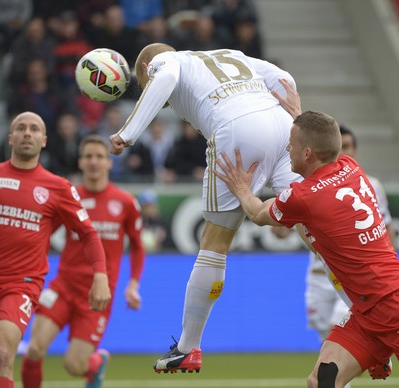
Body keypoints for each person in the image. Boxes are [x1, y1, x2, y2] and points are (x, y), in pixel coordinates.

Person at [214, 110, 399, 387]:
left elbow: (258, 213)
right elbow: (321, 136)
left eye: (293, 143)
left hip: (398, 308)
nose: (288, 148)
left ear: (308, 152)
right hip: (367, 312)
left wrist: (241, 188)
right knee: (321, 381)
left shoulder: (302, 197)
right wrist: (295, 112)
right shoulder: (350, 166)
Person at [108, 42, 303, 373]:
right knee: (311, 223)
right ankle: (362, 310)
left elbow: (165, 75)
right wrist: (294, 118)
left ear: (145, 70)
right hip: (283, 125)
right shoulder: (230, 55)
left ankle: (187, 347)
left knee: (215, 242)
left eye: (144, 85)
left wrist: (128, 134)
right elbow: (283, 77)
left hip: (236, 128)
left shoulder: (166, 61)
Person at [0, 112, 111, 388]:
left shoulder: (58, 187)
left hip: (21, 285)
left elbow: (88, 233)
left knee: (3, 353)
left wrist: (100, 276)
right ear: (10, 138)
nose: (27, 133)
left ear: (44, 140)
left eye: (34, 129)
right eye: (21, 128)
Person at [272, 123, 398, 384]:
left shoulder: (367, 183)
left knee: (339, 331)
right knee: (326, 341)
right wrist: (281, 227)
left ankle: (377, 348)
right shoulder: (308, 185)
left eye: (349, 147)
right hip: (318, 276)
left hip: (350, 277)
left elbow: (385, 227)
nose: (345, 152)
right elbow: (285, 229)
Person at [21, 134, 145, 388]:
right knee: (34, 349)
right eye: (88, 156)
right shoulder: (70, 197)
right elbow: (43, 235)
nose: (94, 161)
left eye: (99, 156)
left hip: (97, 296)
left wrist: (133, 285)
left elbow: (137, 246)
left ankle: (96, 363)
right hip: (64, 287)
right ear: (80, 162)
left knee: (74, 366)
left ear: (109, 163)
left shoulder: (125, 203)